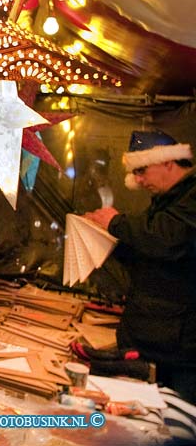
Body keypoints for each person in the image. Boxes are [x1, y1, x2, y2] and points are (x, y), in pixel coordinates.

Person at [85, 129, 196, 403]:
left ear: (167, 162)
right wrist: (106, 241)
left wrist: (116, 223)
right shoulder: (166, 201)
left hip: (180, 350)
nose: (137, 180)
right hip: (158, 340)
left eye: (142, 170)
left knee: (176, 421)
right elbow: (150, 254)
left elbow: (167, 238)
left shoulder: (191, 198)